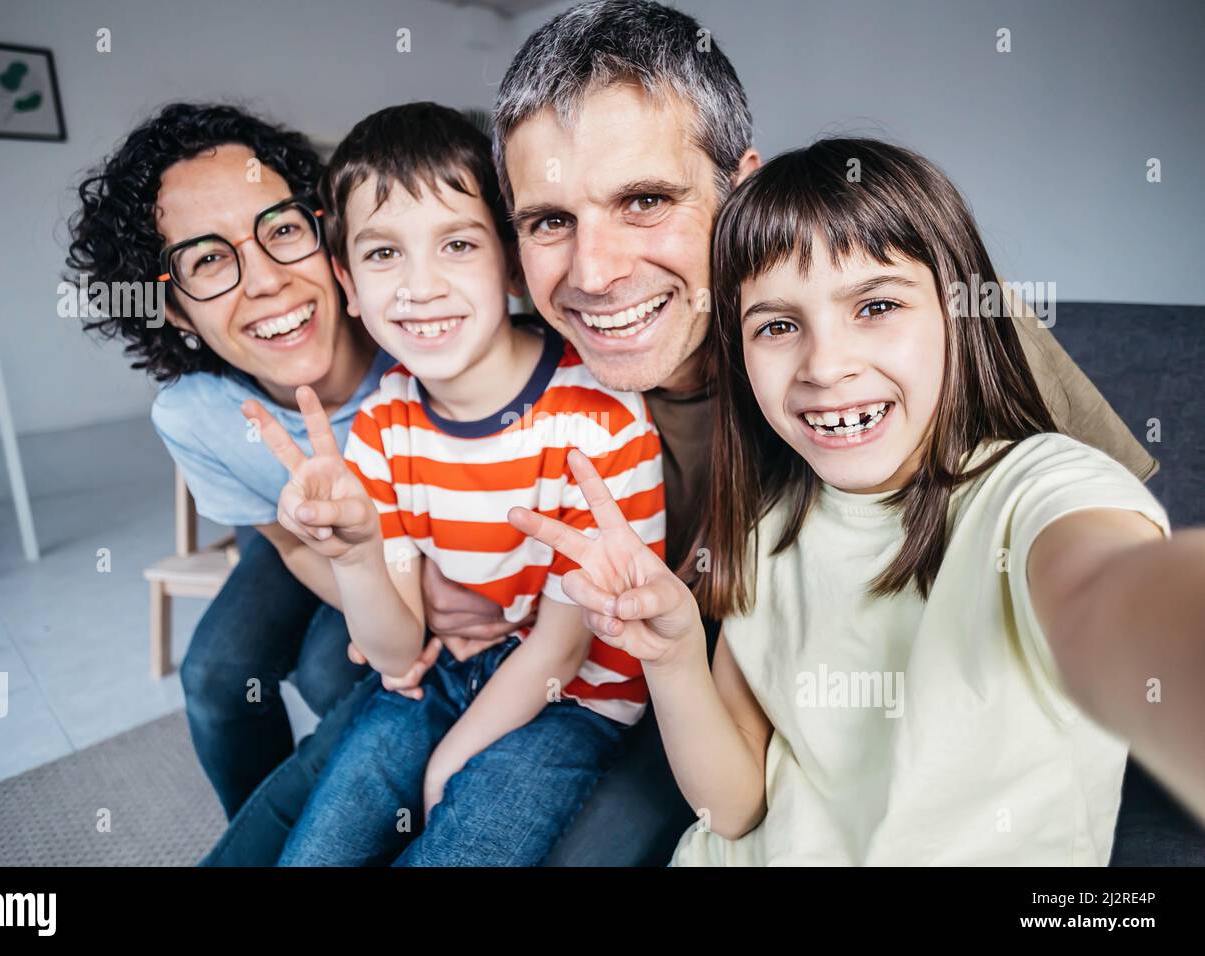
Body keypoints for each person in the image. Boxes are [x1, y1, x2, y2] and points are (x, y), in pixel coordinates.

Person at [208, 0, 1166, 865]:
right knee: (298, 803)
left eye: (646, 201)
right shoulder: (530, 359)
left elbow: (1092, 534)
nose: (594, 271)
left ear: (739, 188)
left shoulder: (924, 330)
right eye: (549, 220)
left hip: (684, 694)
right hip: (599, 662)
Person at [508, 137, 1205, 864]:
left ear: (958, 314)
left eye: (875, 305)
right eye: (777, 326)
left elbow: (1109, 591)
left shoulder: (1040, 488)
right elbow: (734, 808)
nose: (826, 365)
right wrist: (677, 657)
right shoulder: (762, 528)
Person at [244, 102, 666, 865]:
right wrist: (357, 554)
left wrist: (452, 759)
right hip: (442, 673)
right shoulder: (382, 425)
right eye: (382, 256)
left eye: (457, 243)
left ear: (509, 259)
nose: (419, 287)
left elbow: (562, 654)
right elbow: (399, 650)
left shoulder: (602, 418)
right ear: (346, 281)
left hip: (571, 700)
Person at [68, 103, 393, 816]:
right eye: (210, 260)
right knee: (216, 672)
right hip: (289, 539)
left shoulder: (424, 349)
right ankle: (262, 829)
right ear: (176, 310)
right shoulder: (196, 415)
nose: (267, 280)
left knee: (329, 673)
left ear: (326, 232)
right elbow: (288, 545)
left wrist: (398, 617)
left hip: (407, 548)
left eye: (280, 230)